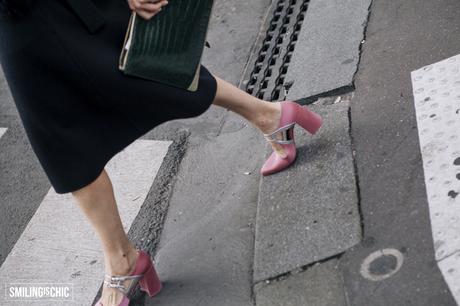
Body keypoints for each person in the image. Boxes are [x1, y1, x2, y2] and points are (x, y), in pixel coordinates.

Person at [0, 0, 323, 305]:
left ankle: (268, 115)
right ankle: (121, 258)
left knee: (146, 69)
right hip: (14, 22)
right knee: (59, 140)